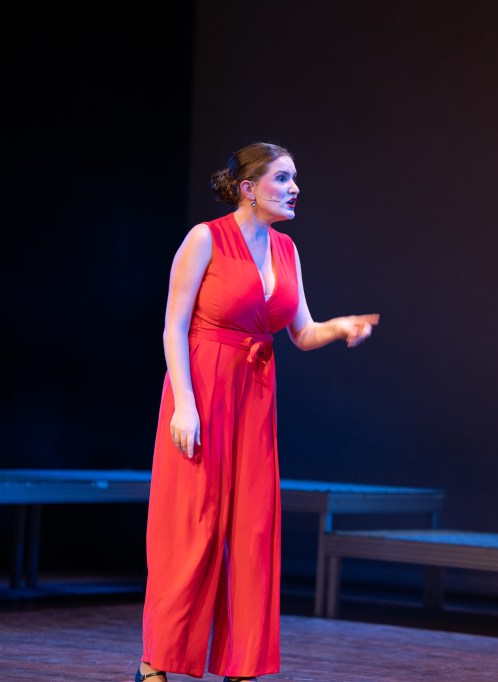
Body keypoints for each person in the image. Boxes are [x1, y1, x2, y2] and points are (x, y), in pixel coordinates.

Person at [136, 142, 380, 682]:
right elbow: (174, 325)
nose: (295, 189)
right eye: (283, 178)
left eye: (295, 179)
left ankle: (241, 666)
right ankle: (156, 662)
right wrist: (184, 405)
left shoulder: (287, 250)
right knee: (193, 527)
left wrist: (338, 327)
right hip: (202, 389)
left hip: (254, 396)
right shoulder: (206, 238)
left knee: (252, 530)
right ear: (248, 188)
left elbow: (301, 332)